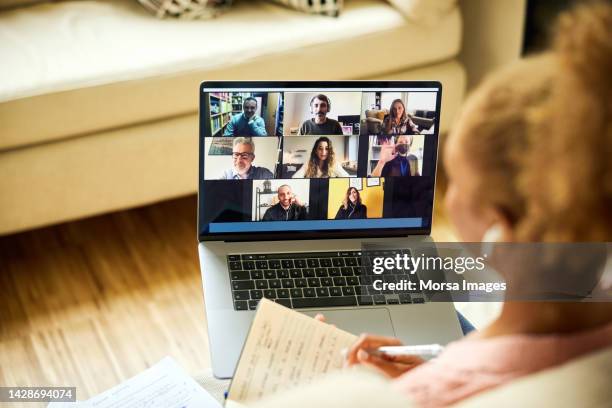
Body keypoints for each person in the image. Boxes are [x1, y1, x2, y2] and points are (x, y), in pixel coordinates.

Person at [318, 4, 612, 407]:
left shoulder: (419, 397)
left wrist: (350, 388)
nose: (446, 195)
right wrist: (435, 360)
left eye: (454, 179)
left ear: (499, 230)